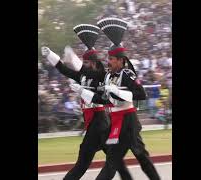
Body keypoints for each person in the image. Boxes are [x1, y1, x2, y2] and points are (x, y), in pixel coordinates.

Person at [70, 17, 161, 180]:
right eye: (108, 59)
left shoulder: (127, 74)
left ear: (120, 60)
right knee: (112, 162)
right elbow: (103, 99)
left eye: (111, 59)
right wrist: (82, 92)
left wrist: (118, 92)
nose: (108, 62)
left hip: (129, 122)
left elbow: (142, 95)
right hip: (116, 122)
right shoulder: (109, 77)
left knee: (142, 158)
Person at [41, 23, 132, 180]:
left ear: (94, 63)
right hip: (93, 126)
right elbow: (64, 69)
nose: (84, 65)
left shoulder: (102, 76)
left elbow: (100, 83)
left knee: (105, 163)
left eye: (87, 62)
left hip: (101, 124)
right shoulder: (83, 76)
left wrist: (82, 86)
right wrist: (50, 55)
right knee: (86, 165)